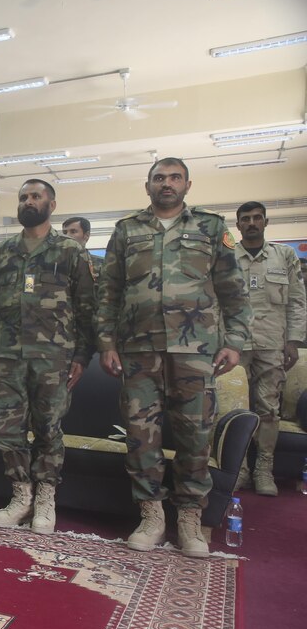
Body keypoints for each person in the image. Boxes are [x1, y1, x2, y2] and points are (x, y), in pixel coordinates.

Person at [97, 158, 252, 558]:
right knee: (140, 434)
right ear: (147, 185)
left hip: (195, 351)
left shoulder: (212, 228)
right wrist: (106, 343)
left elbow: (233, 290)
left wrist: (234, 340)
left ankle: (189, 517)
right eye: (159, 178)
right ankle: (151, 515)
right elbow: (109, 293)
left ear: (187, 184)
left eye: (174, 178)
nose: (167, 184)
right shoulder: (127, 229)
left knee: (195, 435)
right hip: (137, 350)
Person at [0, 179, 96, 535]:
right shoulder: (4, 251)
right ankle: (21, 495)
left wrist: (82, 355)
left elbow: (88, 308)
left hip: (53, 356)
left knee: (48, 428)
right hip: (6, 354)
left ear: (52, 205)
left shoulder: (70, 251)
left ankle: (46, 497)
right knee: (9, 430)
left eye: (36, 196)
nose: (29, 201)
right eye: (24, 197)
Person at [232, 201, 305, 496]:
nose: (251, 223)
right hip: (234, 344)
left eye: (257, 218)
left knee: (268, 410)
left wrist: (294, 341)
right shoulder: (226, 257)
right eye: (245, 219)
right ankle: (238, 468)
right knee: (235, 409)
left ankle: (264, 469)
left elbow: (298, 300)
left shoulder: (284, 256)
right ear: (237, 225)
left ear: (265, 222)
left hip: (271, 344)